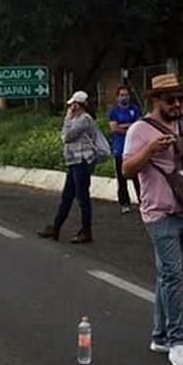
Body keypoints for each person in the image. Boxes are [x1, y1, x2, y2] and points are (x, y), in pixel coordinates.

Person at [121, 74, 183, 365]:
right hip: (159, 212)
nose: (177, 104)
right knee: (174, 275)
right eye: (171, 100)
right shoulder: (140, 130)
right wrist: (150, 150)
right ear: (156, 101)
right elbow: (126, 169)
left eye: (180, 99)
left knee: (166, 275)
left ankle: (161, 335)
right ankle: (178, 339)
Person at [37, 90, 103, 245]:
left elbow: (66, 136)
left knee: (82, 198)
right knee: (67, 197)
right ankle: (56, 227)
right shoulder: (76, 119)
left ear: (79, 105)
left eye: (73, 104)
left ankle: (86, 231)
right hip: (73, 162)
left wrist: (67, 118)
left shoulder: (84, 120)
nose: (71, 107)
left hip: (82, 162)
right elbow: (64, 135)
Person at [108, 85, 142, 214]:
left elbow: (139, 126)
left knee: (138, 178)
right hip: (119, 149)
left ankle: (142, 201)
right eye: (121, 95)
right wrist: (130, 126)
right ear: (117, 97)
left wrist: (125, 126)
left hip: (134, 149)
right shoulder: (114, 111)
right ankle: (124, 203)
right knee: (121, 179)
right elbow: (114, 129)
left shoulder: (135, 109)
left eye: (126, 94)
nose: (124, 97)